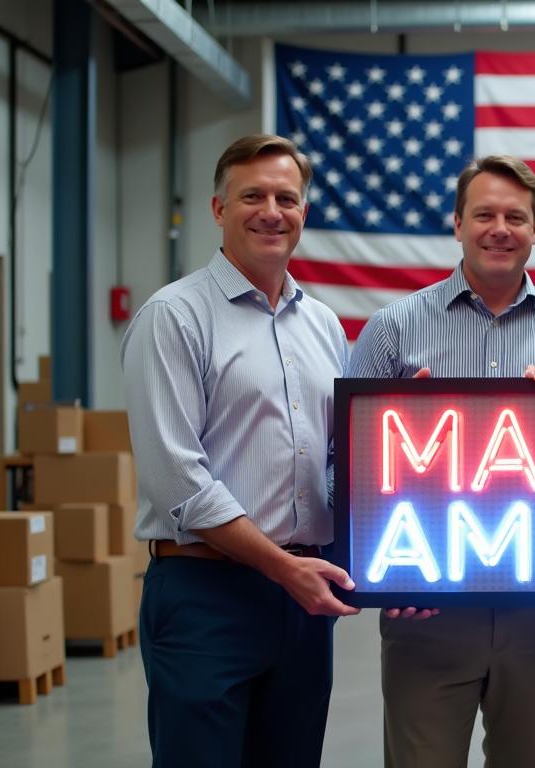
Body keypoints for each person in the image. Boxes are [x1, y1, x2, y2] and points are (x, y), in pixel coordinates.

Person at [347, 154, 535, 768]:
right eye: (485, 214)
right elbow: (344, 469)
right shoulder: (391, 330)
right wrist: (381, 574)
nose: (500, 228)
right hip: (428, 612)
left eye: (516, 216)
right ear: (458, 224)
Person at [122, 134, 358, 767]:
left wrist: (403, 423)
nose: (271, 211)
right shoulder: (174, 316)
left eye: (287, 197)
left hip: (302, 601)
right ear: (218, 209)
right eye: (252, 195)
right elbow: (178, 480)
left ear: (304, 212)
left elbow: (342, 461)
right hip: (205, 593)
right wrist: (283, 569)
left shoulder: (325, 326)